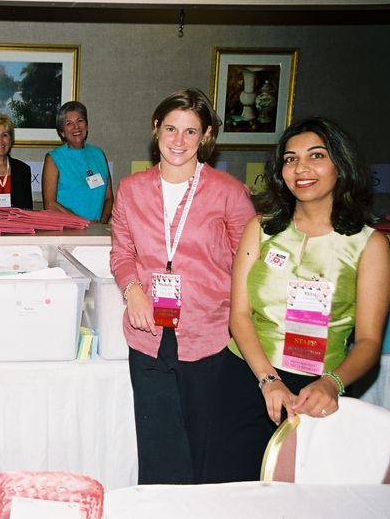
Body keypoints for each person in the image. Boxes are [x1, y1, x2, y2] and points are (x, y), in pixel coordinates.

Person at [202, 117, 390, 483]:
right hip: (248, 376)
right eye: (290, 159)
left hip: (319, 389)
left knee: (301, 496)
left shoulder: (369, 245)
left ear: (340, 165)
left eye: (315, 156)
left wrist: (332, 383)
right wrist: (267, 380)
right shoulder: (261, 228)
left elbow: (369, 341)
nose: (301, 168)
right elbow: (239, 315)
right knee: (228, 489)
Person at [109, 88, 255, 484]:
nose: (178, 141)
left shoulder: (229, 192)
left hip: (208, 333)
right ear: (156, 128)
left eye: (190, 132)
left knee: (205, 446)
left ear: (205, 136)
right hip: (147, 334)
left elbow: (248, 265)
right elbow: (122, 253)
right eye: (171, 128)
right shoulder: (130, 189)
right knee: (157, 445)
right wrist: (132, 290)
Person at [42, 101, 113, 222]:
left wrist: (102, 221)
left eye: (80, 120)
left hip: (97, 232)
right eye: (69, 123)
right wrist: (84, 223)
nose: (76, 127)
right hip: (67, 233)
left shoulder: (99, 154)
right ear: (62, 132)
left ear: (87, 125)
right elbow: (50, 205)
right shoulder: (53, 159)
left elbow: (109, 198)